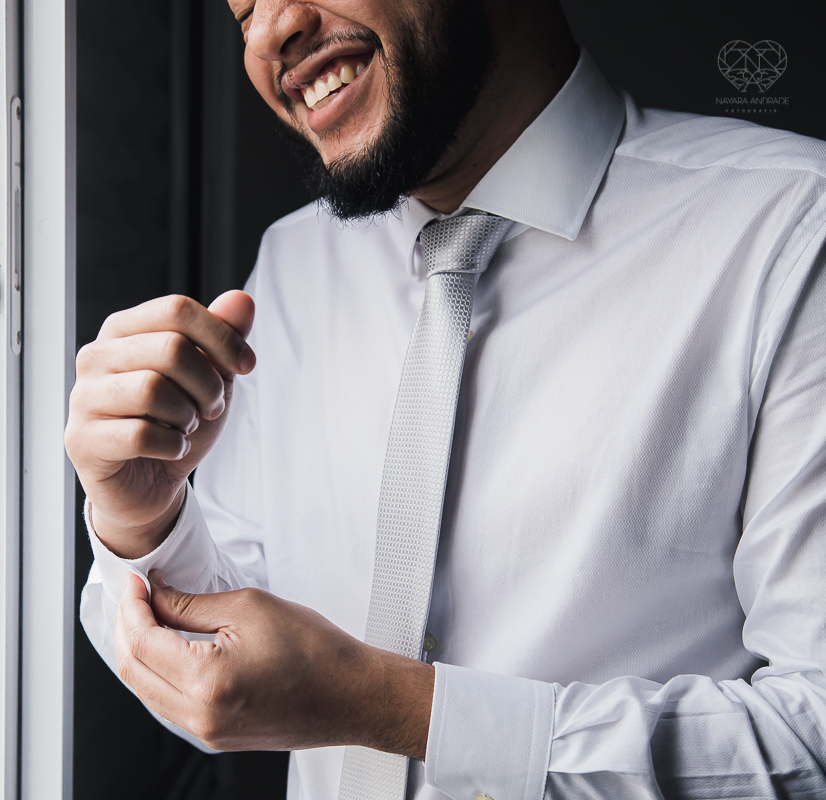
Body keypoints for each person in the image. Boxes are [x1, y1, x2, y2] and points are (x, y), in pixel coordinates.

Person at [64, 0, 826, 797]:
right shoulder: (291, 267)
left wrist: (391, 708)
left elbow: (812, 739)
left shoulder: (791, 234)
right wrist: (143, 521)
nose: (267, 34)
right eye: (242, 10)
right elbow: (224, 671)